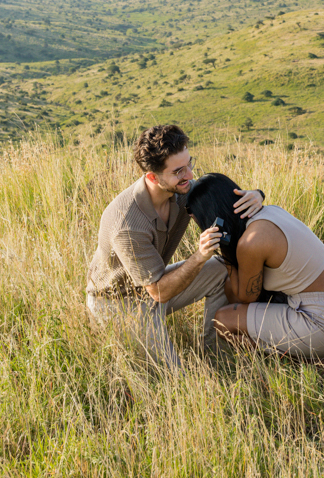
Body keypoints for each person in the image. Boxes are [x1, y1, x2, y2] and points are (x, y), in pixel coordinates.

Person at [85, 124, 266, 368]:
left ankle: (217, 359)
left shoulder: (181, 189)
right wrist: (200, 255)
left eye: (190, 164)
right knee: (174, 377)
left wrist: (256, 194)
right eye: (179, 171)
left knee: (222, 268)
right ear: (152, 177)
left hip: (155, 281)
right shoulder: (128, 224)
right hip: (120, 303)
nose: (190, 175)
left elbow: (223, 199)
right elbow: (158, 293)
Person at [186, 173, 324, 359]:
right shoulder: (272, 212)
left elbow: (243, 297)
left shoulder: (251, 243)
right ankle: (306, 351)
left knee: (222, 320)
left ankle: (297, 362)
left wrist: (224, 245)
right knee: (231, 285)